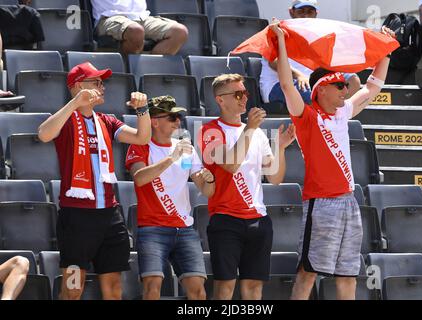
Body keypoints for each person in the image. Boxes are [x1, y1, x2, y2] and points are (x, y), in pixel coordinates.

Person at [270, 18, 395, 300]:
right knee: (308, 272)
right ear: (321, 90)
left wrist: (385, 51)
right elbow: (288, 85)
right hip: (321, 202)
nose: (345, 90)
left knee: (348, 276)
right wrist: (280, 41)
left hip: (349, 200)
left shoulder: (342, 112)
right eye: (339, 85)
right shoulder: (307, 117)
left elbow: (374, 85)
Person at [38, 62, 151, 300]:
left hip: (109, 214)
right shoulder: (66, 118)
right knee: (72, 288)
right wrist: (75, 103)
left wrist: (143, 110)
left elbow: (142, 137)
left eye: (103, 83)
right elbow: (44, 134)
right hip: (76, 216)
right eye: (96, 82)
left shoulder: (107, 121)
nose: (103, 87)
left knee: (113, 289)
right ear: (79, 86)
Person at [198, 74, 296, 300]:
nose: (244, 99)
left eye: (246, 93)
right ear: (220, 100)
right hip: (225, 218)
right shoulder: (209, 131)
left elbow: (275, 179)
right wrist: (250, 128)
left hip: (258, 219)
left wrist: (280, 148)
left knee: (254, 289)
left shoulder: (257, 133)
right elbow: (231, 165)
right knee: (225, 288)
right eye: (238, 94)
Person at [125, 95, 214, 300]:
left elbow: (206, 190)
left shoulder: (186, 150)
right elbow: (140, 178)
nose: (178, 121)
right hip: (152, 228)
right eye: (172, 117)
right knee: (152, 288)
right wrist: (171, 157)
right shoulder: (139, 146)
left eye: (178, 116)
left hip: (184, 228)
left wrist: (208, 180)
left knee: (198, 291)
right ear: (154, 121)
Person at [259, 0, 361, 105]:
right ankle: (324, 115)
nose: (305, 16)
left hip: (310, 81)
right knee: (316, 91)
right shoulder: (276, 30)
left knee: (353, 80)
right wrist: (299, 75)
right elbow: (273, 62)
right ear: (291, 12)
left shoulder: (318, 35)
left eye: (310, 12)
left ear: (316, 13)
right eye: (301, 11)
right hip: (277, 86)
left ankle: (337, 113)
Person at [91, 0, 188, 56]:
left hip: (142, 17)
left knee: (179, 32)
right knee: (136, 31)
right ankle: (128, 71)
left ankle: (149, 72)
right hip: (110, 16)